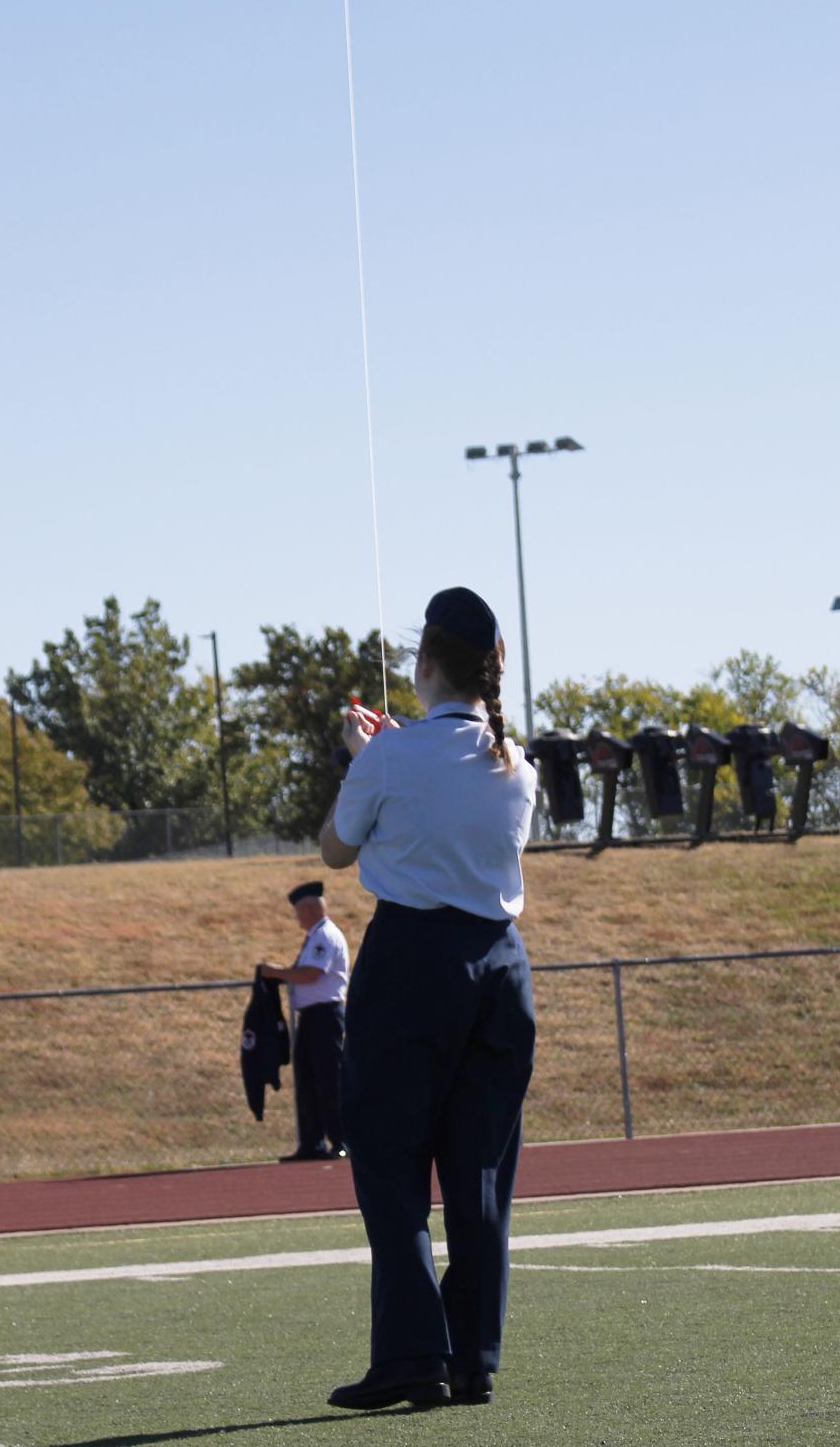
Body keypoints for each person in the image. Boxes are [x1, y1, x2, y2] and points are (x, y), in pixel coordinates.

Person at [317, 585, 538, 1412]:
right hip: (500, 967)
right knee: (480, 1171)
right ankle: (473, 1355)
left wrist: (359, 754)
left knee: (389, 1159)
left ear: (427, 662)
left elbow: (336, 850)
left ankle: (412, 1352)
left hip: (410, 959)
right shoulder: (518, 763)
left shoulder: (389, 753)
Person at [258, 881, 350, 1162]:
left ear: (310, 908)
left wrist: (277, 973)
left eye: (298, 911)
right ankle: (312, 1142)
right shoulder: (315, 936)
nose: (297, 918)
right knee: (309, 1080)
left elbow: (311, 974)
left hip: (325, 1016)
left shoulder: (324, 935)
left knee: (328, 1078)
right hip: (312, 1017)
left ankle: (340, 1140)